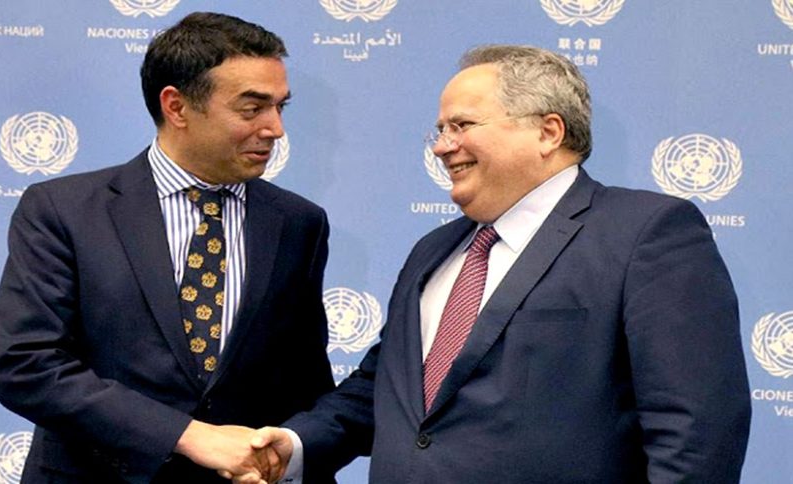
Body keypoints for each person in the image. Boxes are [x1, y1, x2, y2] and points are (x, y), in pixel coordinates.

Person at [254, 45, 752, 483]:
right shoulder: (433, 250)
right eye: (440, 129)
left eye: (462, 126)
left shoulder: (645, 232)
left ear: (548, 132)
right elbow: (383, 389)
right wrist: (294, 445)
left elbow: (695, 431)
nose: (442, 146)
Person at [0, 12, 334, 483]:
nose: (275, 128)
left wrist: (292, 454)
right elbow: (27, 365)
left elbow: (305, 382)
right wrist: (188, 436)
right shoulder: (62, 210)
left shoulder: (298, 223)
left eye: (280, 107)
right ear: (176, 107)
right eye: (252, 108)